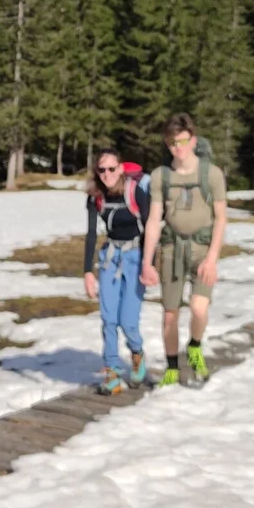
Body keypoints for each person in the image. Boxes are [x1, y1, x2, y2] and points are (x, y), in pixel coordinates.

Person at [139, 113, 229, 388]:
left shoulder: (211, 174)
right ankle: (172, 367)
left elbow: (221, 218)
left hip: (203, 249)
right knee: (170, 314)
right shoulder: (159, 176)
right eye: (172, 143)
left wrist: (212, 259)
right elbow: (154, 219)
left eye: (182, 141)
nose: (178, 148)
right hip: (171, 250)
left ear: (193, 139)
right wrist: (147, 261)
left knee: (199, 308)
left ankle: (195, 347)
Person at [83, 148, 151, 394]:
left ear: (121, 168)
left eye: (112, 169)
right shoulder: (95, 196)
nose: (106, 174)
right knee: (108, 318)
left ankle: (137, 353)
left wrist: (149, 263)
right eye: (101, 170)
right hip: (110, 256)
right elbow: (91, 234)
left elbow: (152, 228)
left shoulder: (136, 192)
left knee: (128, 322)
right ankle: (111, 371)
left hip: (135, 256)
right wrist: (87, 272)